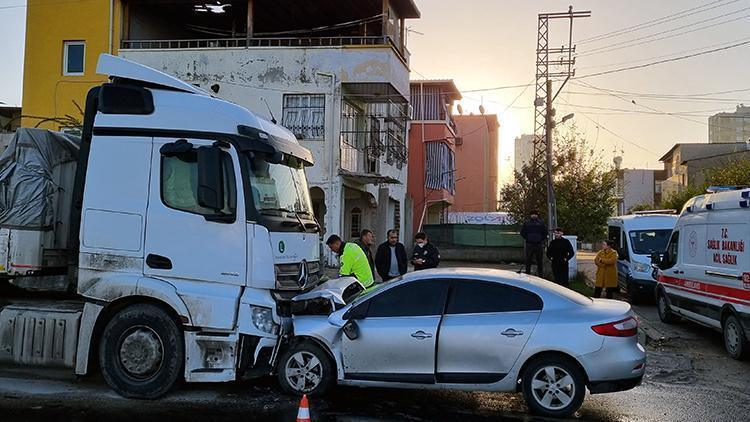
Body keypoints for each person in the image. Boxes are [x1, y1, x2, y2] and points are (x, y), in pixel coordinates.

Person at [520, 210, 548, 277]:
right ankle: (527, 274)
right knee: (528, 260)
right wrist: (528, 238)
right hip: (529, 244)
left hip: (538, 244)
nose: (534, 215)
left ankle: (540, 275)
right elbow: (522, 232)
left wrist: (540, 239)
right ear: (530, 215)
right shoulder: (526, 223)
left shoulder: (541, 223)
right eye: (532, 214)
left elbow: (545, 232)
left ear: (537, 215)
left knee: (539, 260)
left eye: (535, 214)